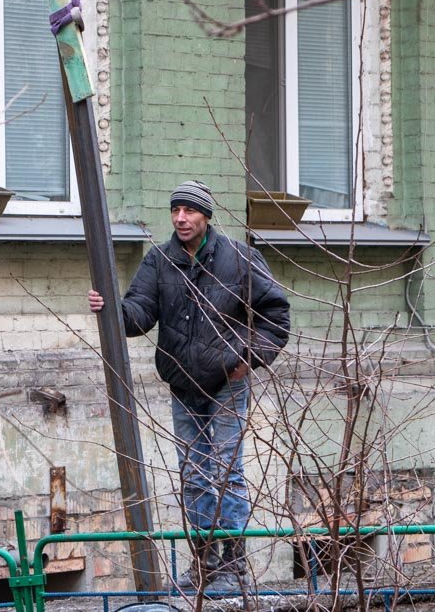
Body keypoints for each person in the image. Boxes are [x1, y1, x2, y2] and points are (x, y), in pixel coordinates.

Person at [88, 180, 290, 593]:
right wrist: (111, 308)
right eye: (175, 210)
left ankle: (234, 566)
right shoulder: (160, 259)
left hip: (228, 381)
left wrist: (247, 360)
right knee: (194, 474)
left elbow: (276, 316)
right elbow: (140, 313)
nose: (180, 218)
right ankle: (204, 565)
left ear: (206, 216)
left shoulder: (239, 258)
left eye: (190, 211)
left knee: (228, 471)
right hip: (183, 382)